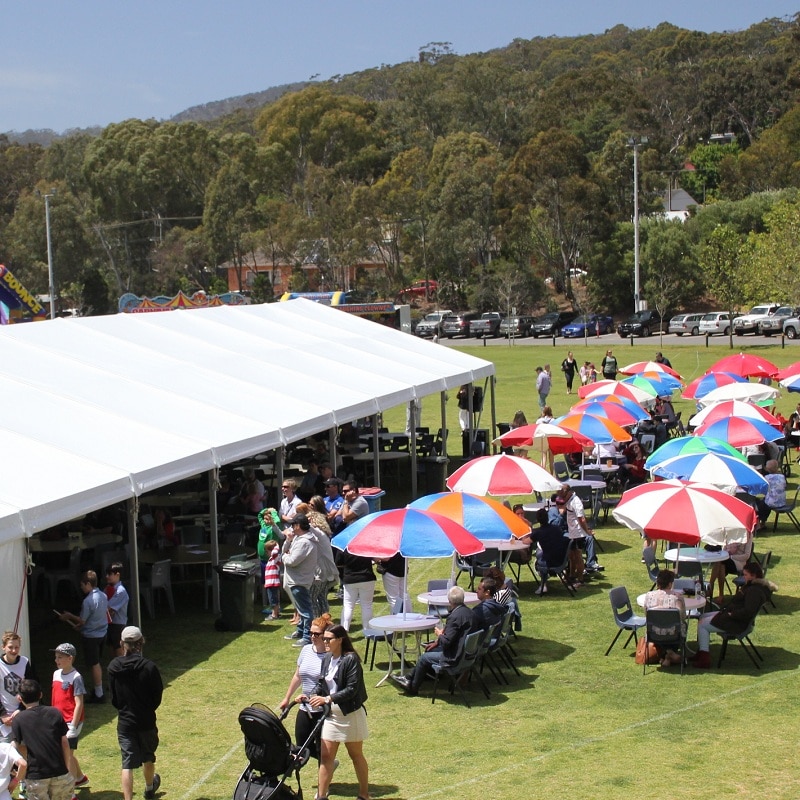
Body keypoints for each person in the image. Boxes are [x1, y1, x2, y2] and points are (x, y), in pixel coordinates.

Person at [307, 625, 370, 800]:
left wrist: (327, 699)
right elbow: (322, 684)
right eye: (324, 639)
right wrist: (308, 696)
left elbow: (352, 689)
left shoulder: (350, 660)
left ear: (340, 640)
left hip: (350, 715)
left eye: (328, 639)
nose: (324, 642)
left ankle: (364, 794)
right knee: (326, 757)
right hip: (332, 716)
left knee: (355, 755)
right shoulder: (327, 658)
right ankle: (321, 796)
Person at [107, 626, 163, 800]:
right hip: (145, 721)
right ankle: (148, 788)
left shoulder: (113, 667)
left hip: (125, 721)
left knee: (127, 763)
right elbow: (156, 697)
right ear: (141, 643)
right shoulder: (149, 667)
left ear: (122, 643)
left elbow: (114, 697)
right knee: (148, 758)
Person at [691, 561, 776, 668]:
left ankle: (704, 658)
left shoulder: (754, 591)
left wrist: (731, 614)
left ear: (753, 576)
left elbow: (747, 611)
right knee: (702, 617)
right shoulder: (754, 586)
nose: (744, 577)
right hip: (734, 617)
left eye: (745, 575)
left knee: (703, 624)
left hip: (737, 623)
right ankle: (701, 651)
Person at [279, 613, 334, 763]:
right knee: (301, 746)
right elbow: (298, 675)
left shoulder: (330, 657)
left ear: (325, 635)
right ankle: (330, 764)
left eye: (317, 634)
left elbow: (331, 685)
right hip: (305, 707)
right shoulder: (306, 650)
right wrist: (287, 697)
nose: (313, 637)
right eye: (311, 633)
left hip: (323, 709)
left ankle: (324, 782)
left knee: (321, 748)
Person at [402, 586, 475, 697]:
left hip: (454, 657)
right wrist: (437, 642)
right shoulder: (470, 613)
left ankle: (413, 688)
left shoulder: (454, 617)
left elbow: (446, 642)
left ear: (450, 601)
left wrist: (439, 634)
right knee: (430, 649)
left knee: (423, 658)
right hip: (465, 654)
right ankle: (409, 677)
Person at [10, 679, 72, 800]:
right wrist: (67, 767)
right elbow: (64, 742)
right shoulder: (55, 713)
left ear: (20, 698)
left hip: (36, 776)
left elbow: (15, 746)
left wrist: (14, 771)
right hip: (59, 771)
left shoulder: (19, 719)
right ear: (41, 695)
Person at [57, 572, 108, 704]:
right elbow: (95, 617)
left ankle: (99, 693)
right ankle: (98, 690)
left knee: (94, 664)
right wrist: (80, 625)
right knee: (96, 663)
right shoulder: (104, 595)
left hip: (91, 636)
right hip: (102, 633)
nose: (81, 588)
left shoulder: (88, 601)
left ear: (88, 584)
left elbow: (83, 620)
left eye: (82, 585)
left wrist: (69, 616)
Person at [50, 644, 88, 792]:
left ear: (70, 658)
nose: (56, 660)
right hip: (59, 720)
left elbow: (79, 703)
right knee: (68, 753)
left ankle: (70, 791)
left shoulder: (76, 677)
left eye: (60, 657)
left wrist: (73, 725)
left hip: (71, 721)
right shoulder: (56, 674)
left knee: (67, 754)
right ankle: (79, 778)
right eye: (56, 657)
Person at [282, 514, 319, 647]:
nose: (291, 527)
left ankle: (307, 637)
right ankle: (300, 631)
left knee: (305, 610)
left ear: (298, 525)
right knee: (300, 608)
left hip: (300, 580)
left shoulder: (304, 542)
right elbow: (285, 552)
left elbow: (292, 561)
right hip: (297, 579)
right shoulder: (298, 538)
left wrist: (285, 558)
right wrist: (288, 541)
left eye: (293, 524)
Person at [559, 484, 603, 584]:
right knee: (572, 556)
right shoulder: (569, 500)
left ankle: (580, 580)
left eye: (564, 496)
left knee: (578, 557)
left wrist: (587, 531)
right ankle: (571, 576)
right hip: (573, 533)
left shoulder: (576, 502)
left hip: (579, 534)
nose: (563, 498)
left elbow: (581, 519)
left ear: (569, 492)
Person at [642, 570, 686, 668]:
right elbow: (682, 617)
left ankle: (666, 656)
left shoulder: (649, 596)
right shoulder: (677, 597)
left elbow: (647, 614)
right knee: (682, 625)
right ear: (670, 584)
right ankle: (669, 653)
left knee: (659, 627)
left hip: (653, 633)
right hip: (674, 634)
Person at [0, 632, 36, 743]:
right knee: (5, 752)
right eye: (10, 647)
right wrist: (2, 714)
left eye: (17, 647)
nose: (14, 651)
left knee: (24, 748)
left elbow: (31, 688)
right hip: (4, 718)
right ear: (3, 647)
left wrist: (21, 709)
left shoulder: (24, 662)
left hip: (22, 714)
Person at [528, 508, 570, 595]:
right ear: (547, 518)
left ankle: (543, 585)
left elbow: (526, 541)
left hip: (551, 562)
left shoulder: (538, 532)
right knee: (540, 555)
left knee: (539, 559)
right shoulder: (557, 529)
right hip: (562, 559)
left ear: (538, 520)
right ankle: (544, 584)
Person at [339, 552, 376, 633]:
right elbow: (375, 558)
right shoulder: (365, 545)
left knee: (348, 606)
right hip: (367, 577)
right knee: (367, 606)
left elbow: (338, 562)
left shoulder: (346, 546)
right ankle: (368, 630)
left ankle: (344, 631)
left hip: (350, 578)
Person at [105, 564, 129, 658]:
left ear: (117, 575)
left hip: (118, 625)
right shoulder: (108, 589)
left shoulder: (120, 591)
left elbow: (108, 607)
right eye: (106, 574)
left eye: (110, 574)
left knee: (118, 648)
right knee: (111, 647)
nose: (107, 576)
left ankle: (122, 668)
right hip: (110, 624)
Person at [756, 459, 787, 526]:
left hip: (772, 502)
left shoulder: (767, 478)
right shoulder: (782, 476)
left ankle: (760, 523)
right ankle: (762, 523)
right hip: (782, 502)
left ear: (767, 469)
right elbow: (784, 486)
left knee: (757, 503)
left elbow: (761, 490)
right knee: (765, 501)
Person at [262, 542, 282, 620]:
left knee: (273, 599)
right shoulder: (271, 559)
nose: (267, 553)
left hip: (273, 583)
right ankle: (276, 613)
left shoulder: (275, 558)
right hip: (270, 583)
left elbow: (274, 552)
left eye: (267, 551)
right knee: (273, 598)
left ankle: (274, 615)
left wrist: (276, 546)